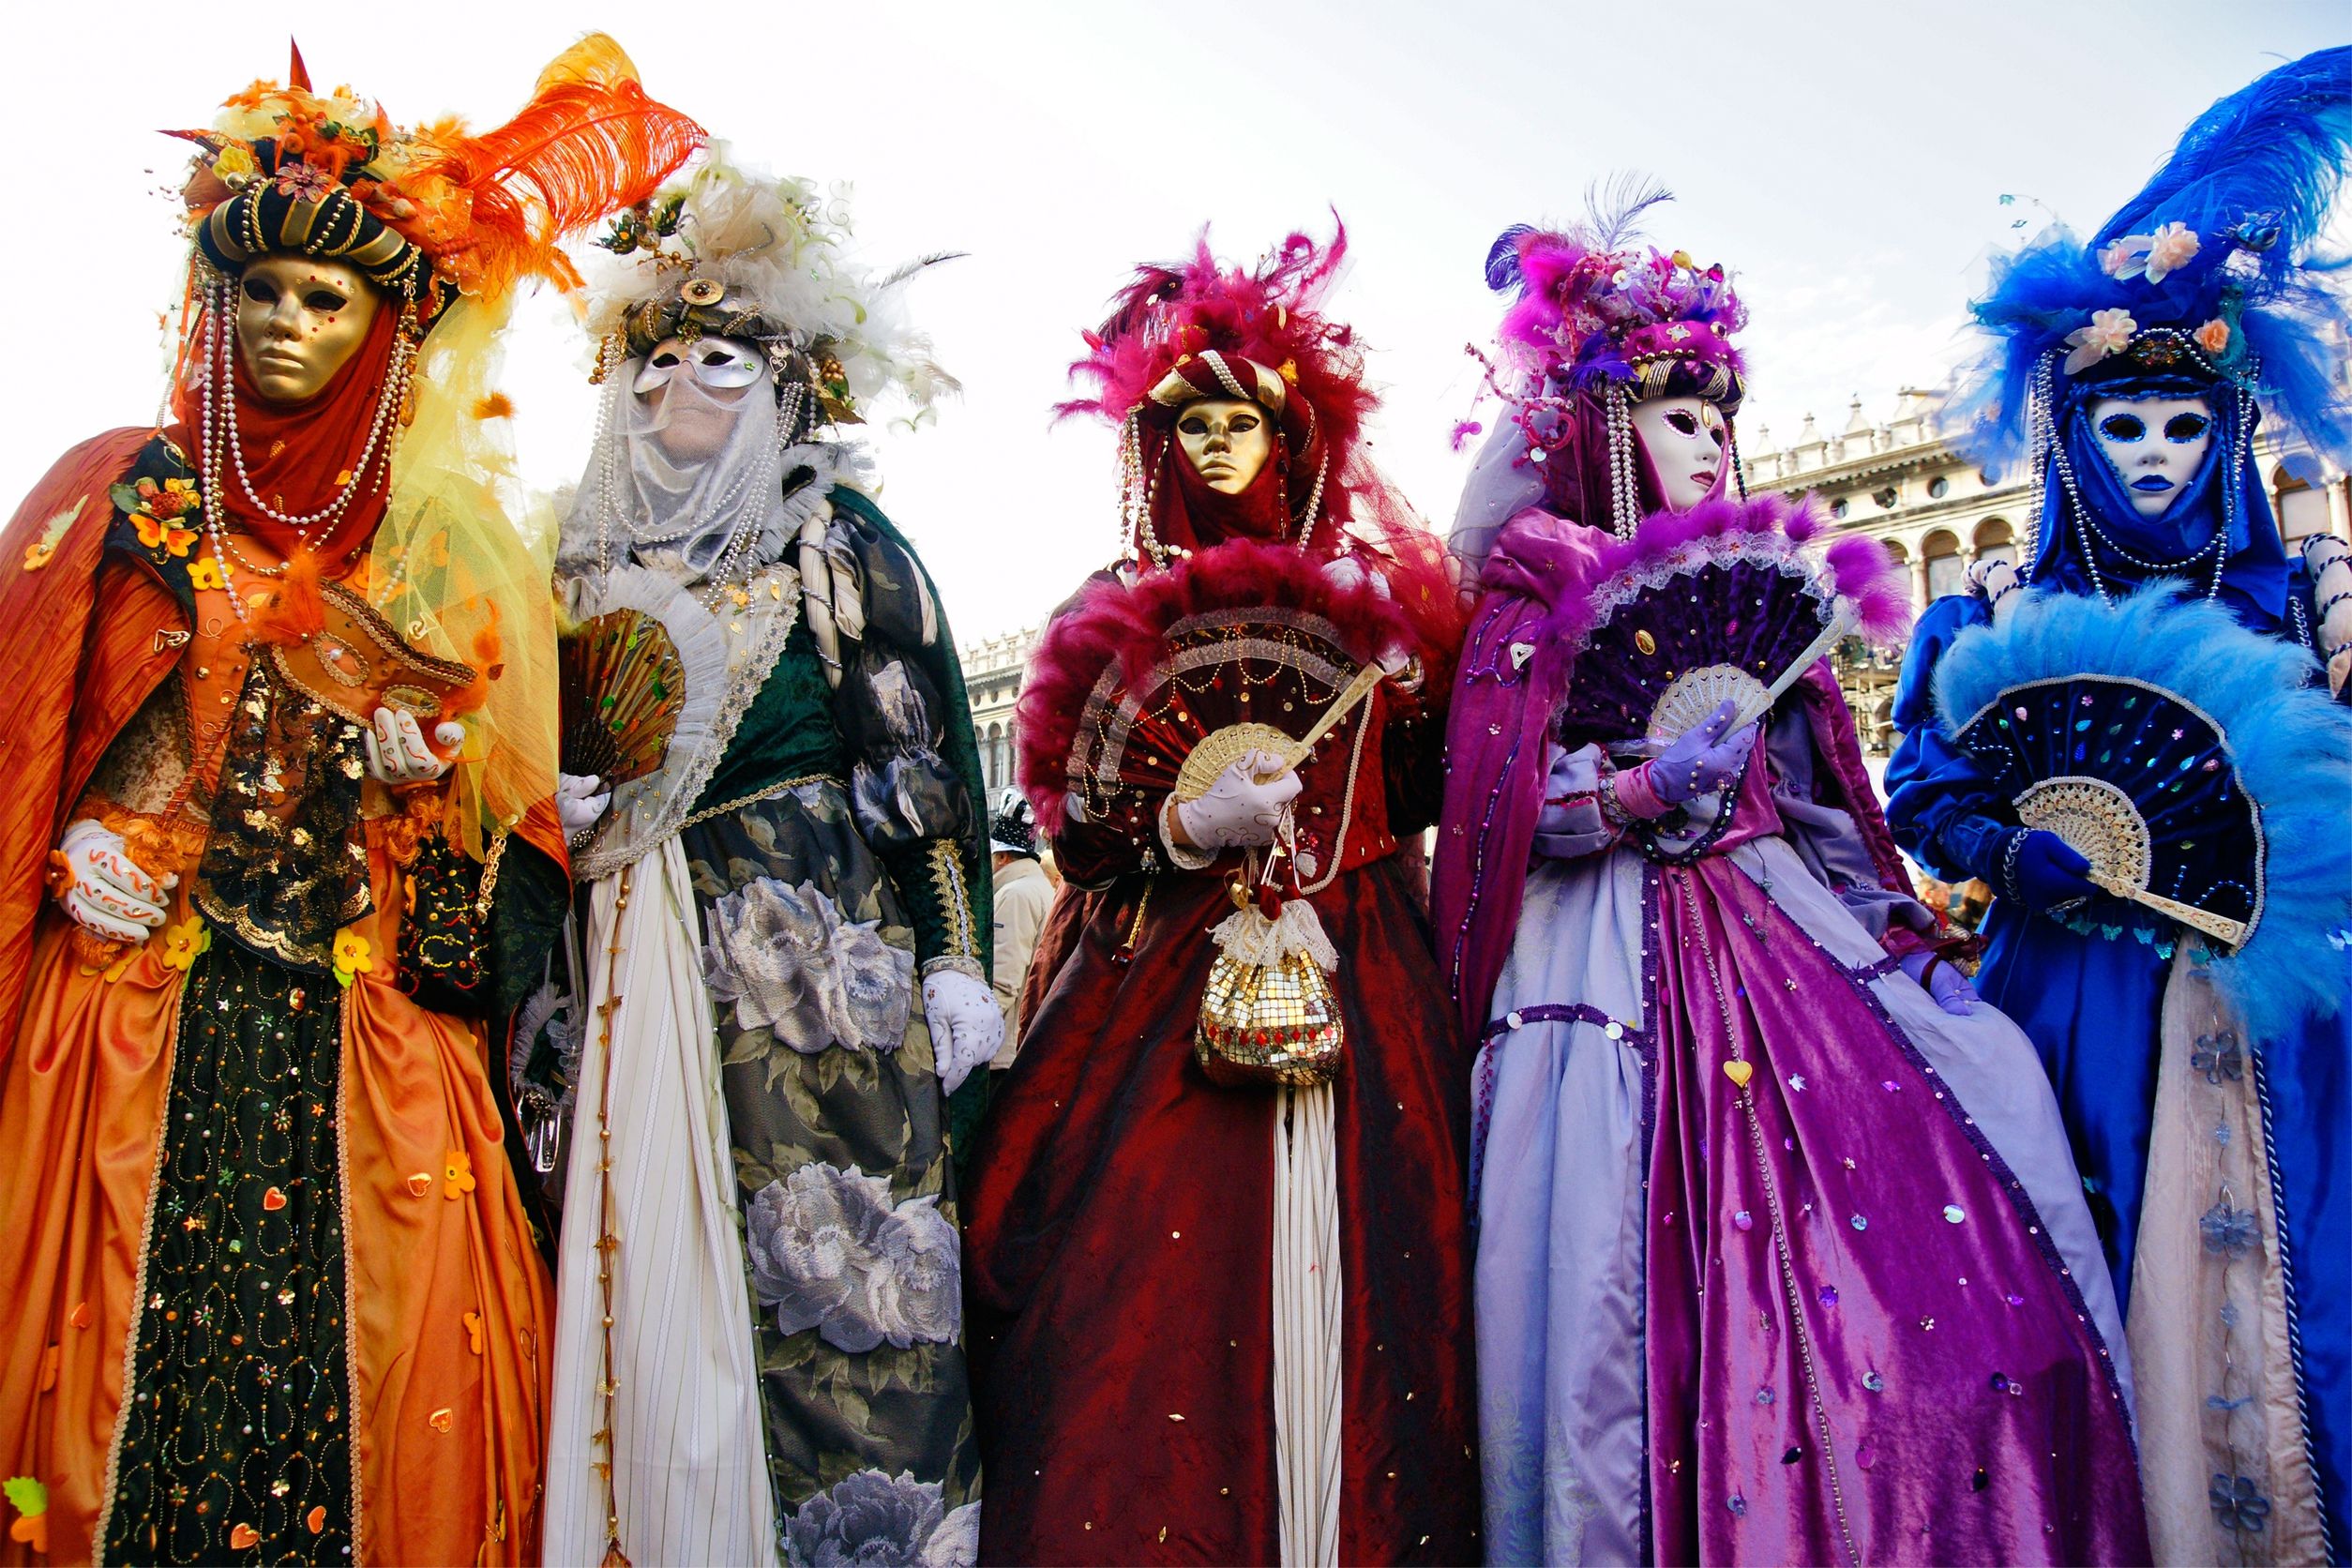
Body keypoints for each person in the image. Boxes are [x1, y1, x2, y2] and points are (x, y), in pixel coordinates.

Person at [0, 40, 698, 1565]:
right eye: (260, 290)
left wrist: (432, 798)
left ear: (390, 329)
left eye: (326, 297)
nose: (284, 324)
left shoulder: (460, 567)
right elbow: (29, 731)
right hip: (124, 1036)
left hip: (364, 1049)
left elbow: (511, 894)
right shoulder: (117, 497)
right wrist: (87, 831)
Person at [1432, 197, 2148, 1565]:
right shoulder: (1531, 601)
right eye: (1675, 414)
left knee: (1975, 1139)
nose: (1709, 441)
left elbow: (1828, 811)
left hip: (1791, 939)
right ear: (1597, 427)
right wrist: (1636, 788)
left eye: (1721, 417)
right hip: (1610, 958)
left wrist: (1896, 925)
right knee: (1615, 1283)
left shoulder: (1768, 599)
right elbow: (1496, 806)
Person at [1887, 50, 2351, 1560]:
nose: (2156, 456)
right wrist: (2003, 853)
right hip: (2074, 999)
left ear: (2228, 438)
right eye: (2123, 428)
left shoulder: (2311, 607)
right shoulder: (1989, 620)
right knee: (2079, 1260)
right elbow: (1926, 781)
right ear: (2072, 443)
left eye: (2185, 427)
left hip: (2285, 1014)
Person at [961, 226, 1479, 1566]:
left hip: (1365, 974)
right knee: (1139, 1298)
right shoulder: (1109, 606)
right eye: (1182, 418)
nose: (1210, 440)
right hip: (1158, 989)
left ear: (1292, 427)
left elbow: (1435, 783)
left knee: (1388, 1290)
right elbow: (1071, 822)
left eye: (1238, 414)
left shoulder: (1385, 600)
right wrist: (1183, 819)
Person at [520, 150, 997, 1567]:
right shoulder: (565, 558)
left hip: (809, 977)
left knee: (834, 1281)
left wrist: (957, 949)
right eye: (656, 359)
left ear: (784, 380)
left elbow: (920, 760)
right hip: (623, 957)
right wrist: (536, 794)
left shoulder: (834, 540)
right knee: (640, 1274)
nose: (681, 389)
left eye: (719, 358)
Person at [987, 789, 1052, 1052]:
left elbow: (1002, 980)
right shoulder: (1034, 887)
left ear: (1003, 857)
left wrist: (973, 1035)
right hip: (1016, 1039)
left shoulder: (1015, 895)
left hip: (1002, 1045)